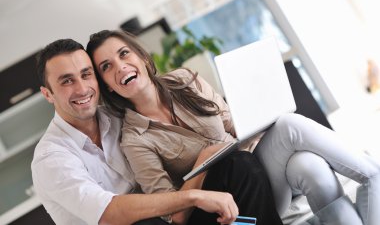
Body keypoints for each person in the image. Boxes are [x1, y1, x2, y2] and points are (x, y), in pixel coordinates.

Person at [87, 29, 380, 225]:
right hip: (239, 205)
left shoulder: (185, 80)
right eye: (106, 67)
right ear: (107, 87)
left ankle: (371, 174)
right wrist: (203, 163)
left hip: (260, 166)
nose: (120, 66)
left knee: (310, 167)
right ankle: (371, 174)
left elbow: (233, 125)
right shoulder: (135, 140)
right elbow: (173, 215)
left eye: (124, 54)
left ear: (141, 56)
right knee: (291, 125)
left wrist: (259, 115)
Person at [31, 38, 251, 225]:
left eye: (86, 74)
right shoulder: (50, 158)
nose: (81, 88)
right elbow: (108, 212)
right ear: (48, 94)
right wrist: (193, 196)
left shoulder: (119, 116)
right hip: (151, 221)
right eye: (67, 81)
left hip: (171, 217)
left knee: (238, 167)